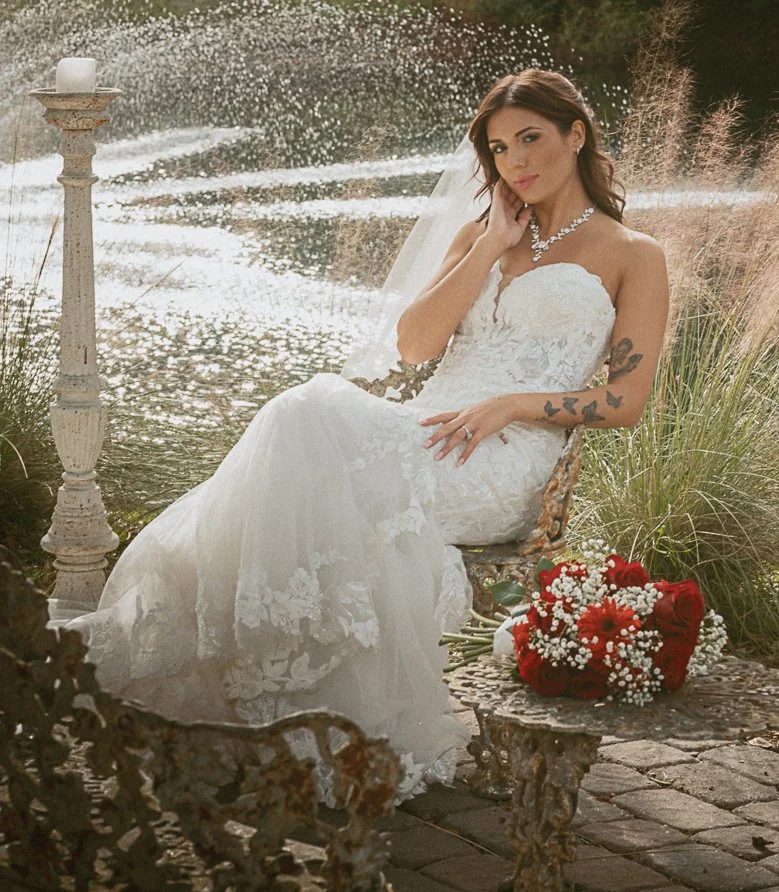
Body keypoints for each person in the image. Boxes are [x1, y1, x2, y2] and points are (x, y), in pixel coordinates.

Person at [61, 68, 670, 801]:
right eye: (501, 149)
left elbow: (626, 400)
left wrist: (513, 405)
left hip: (501, 463)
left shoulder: (634, 253)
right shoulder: (485, 235)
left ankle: (267, 689)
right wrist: (487, 247)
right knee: (302, 420)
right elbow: (415, 345)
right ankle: (275, 703)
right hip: (422, 431)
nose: (517, 162)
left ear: (577, 134)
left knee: (304, 417)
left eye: (531, 139)